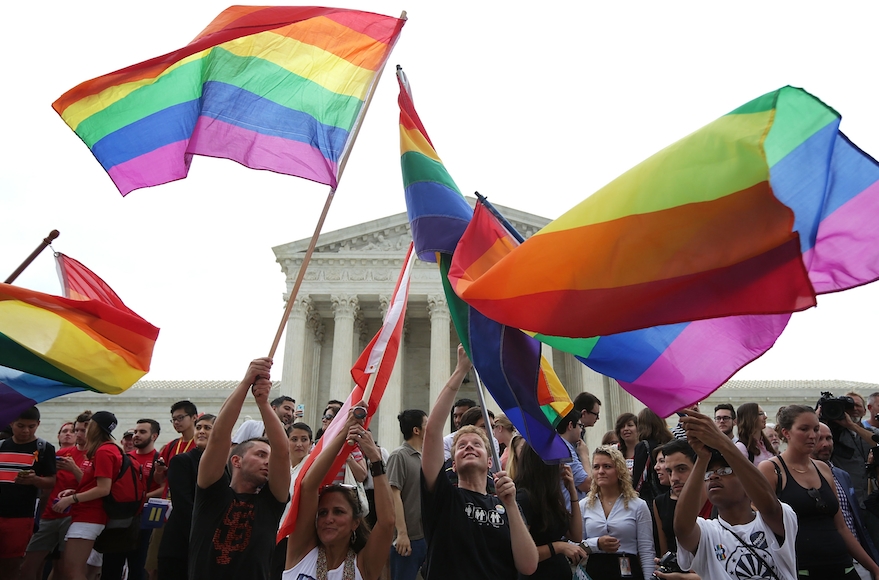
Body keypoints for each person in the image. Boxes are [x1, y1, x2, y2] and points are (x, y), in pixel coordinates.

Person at [421, 345, 538, 579]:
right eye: (462, 446)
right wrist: (460, 370)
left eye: (477, 444)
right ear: (452, 464)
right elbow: (432, 432)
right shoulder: (444, 497)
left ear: (489, 463)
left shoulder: (505, 504)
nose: (469, 447)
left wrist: (511, 505)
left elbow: (528, 565)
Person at [190, 358, 289, 580]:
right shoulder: (210, 493)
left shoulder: (271, 502)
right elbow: (218, 437)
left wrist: (264, 404)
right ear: (236, 460)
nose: (268, 462)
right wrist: (245, 384)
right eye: (260, 454)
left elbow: (283, 452)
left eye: (269, 458)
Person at [675, 410, 797, 580]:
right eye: (708, 474)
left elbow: (769, 506)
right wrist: (702, 459)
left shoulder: (779, 517)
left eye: (725, 470)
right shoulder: (707, 532)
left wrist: (722, 443)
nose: (714, 476)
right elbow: (682, 528)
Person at [759, 405, 879, 579]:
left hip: (842, 565)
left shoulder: (823, 469)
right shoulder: (771, 469)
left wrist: (873, 567)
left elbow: (841, 527)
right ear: (786, 432)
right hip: (802, 568)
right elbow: (761, 518)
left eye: (815, 429)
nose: (812, 435)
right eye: (804, 429)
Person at [284, 403, 393, 580]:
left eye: (339, 511)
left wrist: (375, 458)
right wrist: (343, 432)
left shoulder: (364, 566)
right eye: (323, 512)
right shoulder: (299, 553)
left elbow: (387, 522)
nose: (329, 519)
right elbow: (308, 487)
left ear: (355, 523)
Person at [20, 411, 92, 580]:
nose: (78, 434)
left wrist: (74, 470)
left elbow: (95, 487)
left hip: (74, 516)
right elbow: (44, 483)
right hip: (49, 514)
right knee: (29, 564)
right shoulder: (57, 455)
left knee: (64, 568)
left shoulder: (96, 455)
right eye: (77, 430)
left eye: (82, 431)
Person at [54, 411, 121, 580]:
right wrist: (76, 492)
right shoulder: (108, 449)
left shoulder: (104, 451)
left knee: (73, 570)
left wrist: (72, 499)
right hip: (90, 516)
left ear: (95, 427)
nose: (84, 429)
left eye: (88, 425)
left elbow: (103, 489)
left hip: (89, 517)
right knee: (76, 570)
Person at [812, 421, 879, 580]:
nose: (825, 444)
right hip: (825, 559)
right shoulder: (800, 477)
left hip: (856, 557)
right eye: (819, 439)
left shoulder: (842, 475)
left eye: (829, 438)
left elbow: (853, 519)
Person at [580, 445, 654, 579]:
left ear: (619, 470)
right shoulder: (584, 505)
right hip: (595, 569)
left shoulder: (638, 505)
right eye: (596, 467)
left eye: (607, 466)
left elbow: (646, 550)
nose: (601, 471)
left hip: (627, 568)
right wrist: (597, 544)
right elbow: (575, 544)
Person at [102, 418, 163, 580]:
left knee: (138, 568)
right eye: (136, 432)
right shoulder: (122, 458)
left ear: (154, 436)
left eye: (142, 432)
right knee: (111, 568)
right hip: (120, 519)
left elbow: (165, 488)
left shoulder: (160, 459)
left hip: (145, 521)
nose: (136, 435)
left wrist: (141, 499)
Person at [156, 413, 215, 580]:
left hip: (209, 544)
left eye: (207, 428)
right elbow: (183, 504)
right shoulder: (182, 461)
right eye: (198, 427)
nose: (201, 431)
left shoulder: (225, 464)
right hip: (182, 541)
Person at [0, 406, 56, 580]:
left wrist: (35, 480)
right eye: (21, 425)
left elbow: (52, 480)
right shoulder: (1, 446)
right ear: (11, 423)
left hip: (21, 515)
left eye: (31, 426)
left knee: (12, 564)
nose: (26, 430)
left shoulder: (45, 448)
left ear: (38, 424)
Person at [516, 443, 587, 579]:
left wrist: (572, 492)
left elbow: (576, 534)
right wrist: (558, 547)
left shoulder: (551, 497)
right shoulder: (524, 499)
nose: (562, 466)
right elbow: (523, 555)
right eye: (558, 461)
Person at [145, 400, 197, 579]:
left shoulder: (200, 446)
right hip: (165, 508)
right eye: (173, 419)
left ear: (194, 418)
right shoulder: (171, 445)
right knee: (154, 561)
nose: (177, 422)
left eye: (181, 418)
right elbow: (160, 480)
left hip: (188, 509)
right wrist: (160, 471)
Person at [387, 409, 428, 580]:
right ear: (416, 430)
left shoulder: (423, 457)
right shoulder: (399, 456)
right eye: (427, 424)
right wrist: (402, 533)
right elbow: (393, 495)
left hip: (424, 536)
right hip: (407, 540)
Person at [271, 422, 314, 579]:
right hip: (276, 532)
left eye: (304, 439)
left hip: (299, 534)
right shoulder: (280, 465)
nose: (299, 444)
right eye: (294, 439)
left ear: (311, 443)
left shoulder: (313, 464)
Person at [632, 408, 673, 506]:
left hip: (650, 497)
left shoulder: (643, 446)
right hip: (670, 492)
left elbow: (638, 476)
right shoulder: (671, 443)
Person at [555, 410, 591, 505]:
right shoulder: (565, 450)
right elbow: (587, 484)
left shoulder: (559, 445)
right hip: (569, 510)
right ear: (570, 425)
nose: (581, 430)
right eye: (580, 426)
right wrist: (584, 456)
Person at [232, 396, 298, 443]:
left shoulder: (287, 435)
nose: (290, 414)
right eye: (286, 408)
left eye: (292, 411)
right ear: (274, 408)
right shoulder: (251, 425)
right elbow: (234, 448)